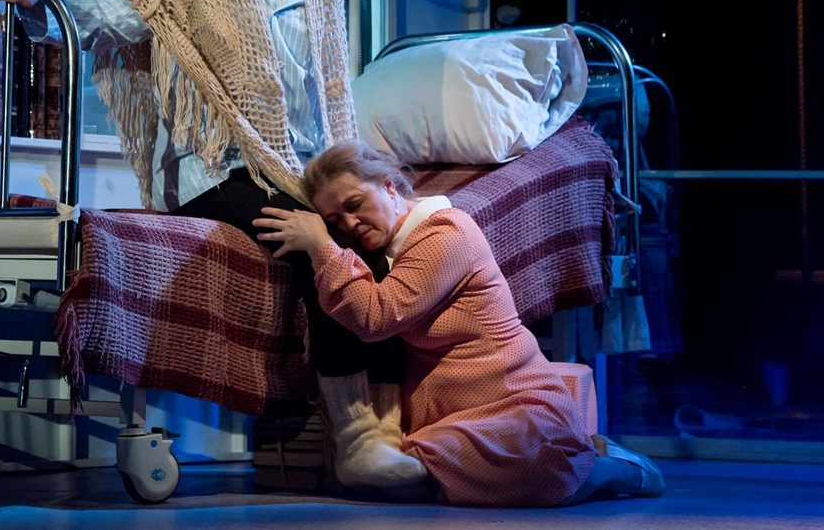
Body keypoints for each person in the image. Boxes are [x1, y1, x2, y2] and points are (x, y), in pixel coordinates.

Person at [0, 0, 425, 490]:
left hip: (304, 167)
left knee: (385, 249)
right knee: (327, 247)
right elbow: (104, 15)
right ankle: (356, 439)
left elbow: (330, 92)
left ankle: (392, 431)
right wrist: (34, 3)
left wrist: (348, 177)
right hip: (216, 167)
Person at [253, 139, 667, 507]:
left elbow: (377, 315)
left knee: (539, 469)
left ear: (389, 186)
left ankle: (603, 468)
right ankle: (579, 460)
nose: (348, 224)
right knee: (397, 474)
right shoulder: (386, 250)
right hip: (449, 415)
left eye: (354, 204)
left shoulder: (445, 232)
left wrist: (322, 244)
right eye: (334, 221)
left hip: (512, 402)